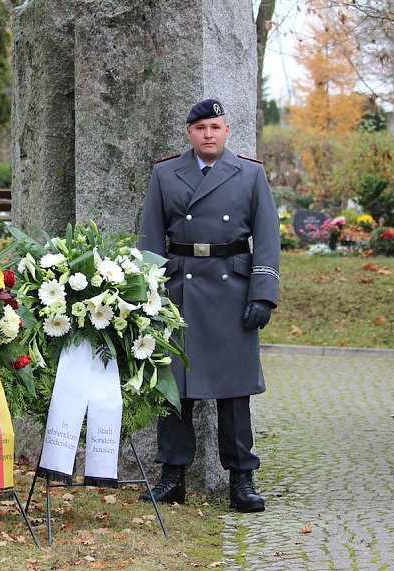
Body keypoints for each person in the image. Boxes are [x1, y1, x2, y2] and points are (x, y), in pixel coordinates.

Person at [136, 98, 280, 513]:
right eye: (200, 128)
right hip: (179, 290)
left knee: (235, 392)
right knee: (175, 389)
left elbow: (267, 237)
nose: (209, 134)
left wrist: (263, 294)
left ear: (227, 130)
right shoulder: (166, 173)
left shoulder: (250, 174)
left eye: (215, 127)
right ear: (189, 133)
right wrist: (148, 295)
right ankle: (172, 477)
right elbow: (150, 237)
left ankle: (242, 480)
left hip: (232, 291)